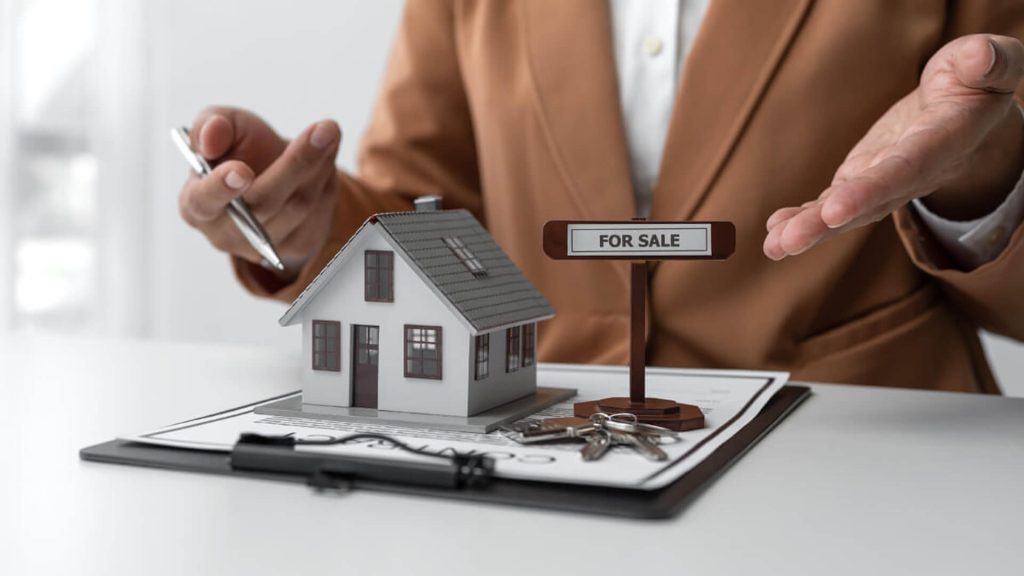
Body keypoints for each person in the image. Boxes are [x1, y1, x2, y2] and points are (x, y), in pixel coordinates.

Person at [178, 1, 1024, 393]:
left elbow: (977, 130)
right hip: (547, 443)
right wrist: (304, 223)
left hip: (868, 447)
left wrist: (984, 180)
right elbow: (421, 211)